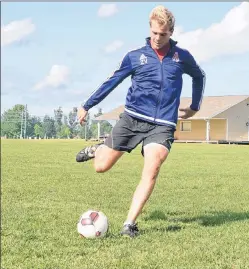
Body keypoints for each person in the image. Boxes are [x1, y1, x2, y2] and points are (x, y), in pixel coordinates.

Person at [76, 5, 206, 238]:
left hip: (163, 124)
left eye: (163, 34)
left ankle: (129, 224)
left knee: (152, 168)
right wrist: (87, 105)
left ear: (172, 32)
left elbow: (199, 76)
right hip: (132, 118)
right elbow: (111, 81)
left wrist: (195, 106)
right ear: (150, 29)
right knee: (101, 167)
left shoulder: (182, 57)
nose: (158, 38)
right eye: (155, 33)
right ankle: (98, 150)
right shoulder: (135, 56)